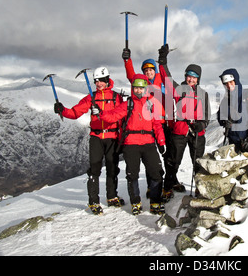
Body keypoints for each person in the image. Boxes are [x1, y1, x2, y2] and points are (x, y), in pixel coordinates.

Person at [54, 67, 124, 215]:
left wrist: (103, 114)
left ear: (106, 80)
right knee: (94, 169)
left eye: (100, 80)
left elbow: (118, 116)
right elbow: (75, 112)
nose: (97, 83)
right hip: (96, 137)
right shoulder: (91, 98)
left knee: (112, 168)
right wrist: (63, 110)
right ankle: (93, 201)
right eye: (95, 81)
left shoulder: (116, 97)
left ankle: (112, 196)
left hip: (112, 137)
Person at [95, 74, 166, 215]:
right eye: (136, 88)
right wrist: (100, 113)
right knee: (132, 174)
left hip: (149, 142)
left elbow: (157, 124)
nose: (138, 91)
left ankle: (155, 202)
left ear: (145, 88)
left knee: (156, 173)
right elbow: (113, 115)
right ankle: (135, 202)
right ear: (132, 89)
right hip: (131, 143)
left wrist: (161, 141)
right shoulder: (127, 104)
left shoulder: (151, 103)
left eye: (141, 88)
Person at [157, 44, 211, 197]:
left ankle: (200, 190)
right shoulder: (178, 89)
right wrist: (163, 62)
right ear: (185, 76)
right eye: (189, 75)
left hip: (197, 132)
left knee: (199, 163)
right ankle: (167, 188)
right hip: (180, 130)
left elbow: (207, 113)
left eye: (194, 77)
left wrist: (203, 123)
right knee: (173, 161)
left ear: (198, 79)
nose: (190, 79)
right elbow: (167, 79)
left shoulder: (203, 94)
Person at [122, 48, 173, 200]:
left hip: (163, 123)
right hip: (150, 125)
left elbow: (166, 75)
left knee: (167, 156)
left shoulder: (160, 79)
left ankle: (167, 185)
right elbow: (131, 76)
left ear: (155, 71)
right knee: (152, 159)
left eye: (151, 70)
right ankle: (153, 187)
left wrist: (163, 59)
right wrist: (127, 61)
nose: (148, 72)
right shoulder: (141, 84)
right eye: (146, 70)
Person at [217, 68, 248, 154]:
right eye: (226, 84)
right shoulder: (225, 100)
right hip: (233, 142)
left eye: (231, 82)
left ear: (236, 81)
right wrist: (224, 121)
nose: (229, 85)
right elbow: (220, 115)